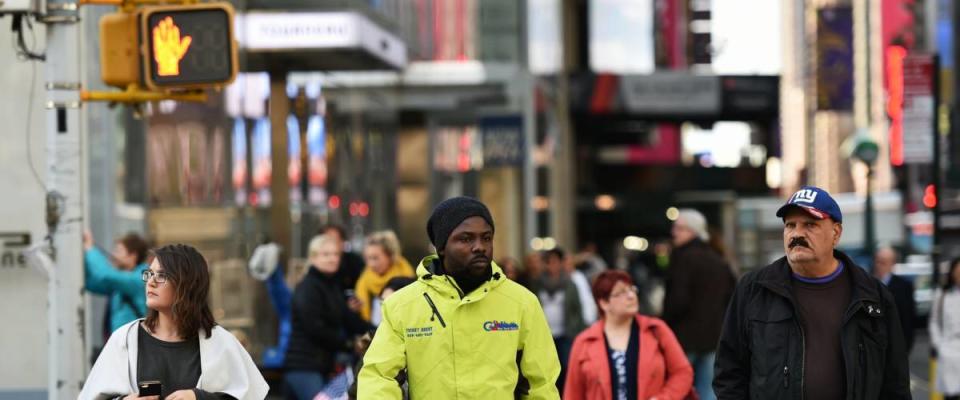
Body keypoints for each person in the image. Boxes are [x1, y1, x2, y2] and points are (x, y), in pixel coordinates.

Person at [713, 186, 911, 399]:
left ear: (836, 233)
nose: (797, 234)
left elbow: (895, 383)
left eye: (810, 225)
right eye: (790, 225)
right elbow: (729, 373)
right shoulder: (754, 290)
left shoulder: (872, 296)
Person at [358, 196, 561, 399]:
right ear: (441, 247)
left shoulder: (523, 302)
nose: (479, 246)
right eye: (466, 239)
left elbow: (542, 384)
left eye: (487, 238)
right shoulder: (402, 305)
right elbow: (379, 378)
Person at [79, 244, 269, 400]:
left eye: (161, 275)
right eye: (149, 274)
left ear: (186, 283)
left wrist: (198, 398)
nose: (150, 282)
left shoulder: (219, 342)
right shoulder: (125, 339)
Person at [564, 270, 693, 400]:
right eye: (621, 293)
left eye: (631, 289)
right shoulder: (584, 341)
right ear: (604, 303)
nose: (631, 296)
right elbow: (573, 393)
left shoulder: (656, 330)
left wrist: (663, 398)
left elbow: (683, 372)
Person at [285, 235, 373, 400]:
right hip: (304, 367)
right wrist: (348, 344)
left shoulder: (332, 285)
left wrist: (378, 330)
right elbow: (315, 328)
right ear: (313, 257)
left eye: (335, 254)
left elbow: (349, 319)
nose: (332, 259)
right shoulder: (308, 287)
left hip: (321, 366)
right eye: (326, 254)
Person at [661, 209, 735, 400]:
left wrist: (663, 325)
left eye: (679, 228)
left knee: (678, 389)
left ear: (692, 231)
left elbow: (678, 301)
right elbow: (732, 300)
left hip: (684, 339)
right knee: (707, 390)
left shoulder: (683, 259)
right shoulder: (719, 260)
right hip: (713, 338)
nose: (673, 232)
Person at [537, 248, 587, 393]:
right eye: (549, 262)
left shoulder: (570, 284)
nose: (552, 265)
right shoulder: (538, 283)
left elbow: (577, 309)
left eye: (555, 261)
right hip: (544, 335)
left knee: (566, 365)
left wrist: (578, 332)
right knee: (546, 368)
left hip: (566, 333)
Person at [83, 230, 151, 335]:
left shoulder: (139, 279)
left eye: (119, 251)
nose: (114, 255)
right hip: (122, 344)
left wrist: (90, 248)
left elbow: (104, 275)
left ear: (133, 256)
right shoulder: (122, 282)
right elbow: (90, 283)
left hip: (131, 345)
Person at [354, 230, 415, 323]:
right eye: (367, 258)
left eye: (375, 258)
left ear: (390, 256)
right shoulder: (364, 281)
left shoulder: (407, 278)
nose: (371, 264)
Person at [873, 246, 916, 351]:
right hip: (873, 346)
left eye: (883, 262)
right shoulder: (868, 284)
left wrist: (906, 346)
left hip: (896, 345)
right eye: (877, 261)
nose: (879, 265)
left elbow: (908, 319)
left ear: (892, 264)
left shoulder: (904, 286)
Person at [930, 258, 960, 400]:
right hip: (949, 350)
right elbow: (934, 321)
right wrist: (939, 344)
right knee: (951, 395)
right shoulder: (942, 295)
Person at [323, 224, 366, 291]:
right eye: (326, 240)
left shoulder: (355, 262)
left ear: (342, 242)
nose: (332, 259)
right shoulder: (315, 271)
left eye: (335, 240)